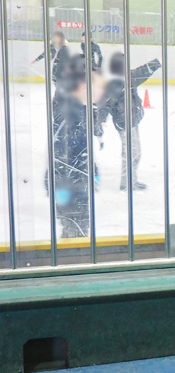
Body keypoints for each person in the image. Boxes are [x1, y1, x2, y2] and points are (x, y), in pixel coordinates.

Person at [50, 56, 101, 237]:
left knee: (78, 225)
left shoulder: (79, 105)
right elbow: (63, 147)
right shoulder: (69, 108)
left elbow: (82, 145)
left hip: (76, 179)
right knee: (74, 225)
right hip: (70, 180)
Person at [97, 51, 161, 191]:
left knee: (135, 152)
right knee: (131, 153)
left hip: (132, 121)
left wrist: (155, 63)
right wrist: (99, 123)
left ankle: (131, 180)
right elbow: (104, 105)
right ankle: (126, 183)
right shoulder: (114, 83)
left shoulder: (126, 77)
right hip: (124, 123)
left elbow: (141, 72)